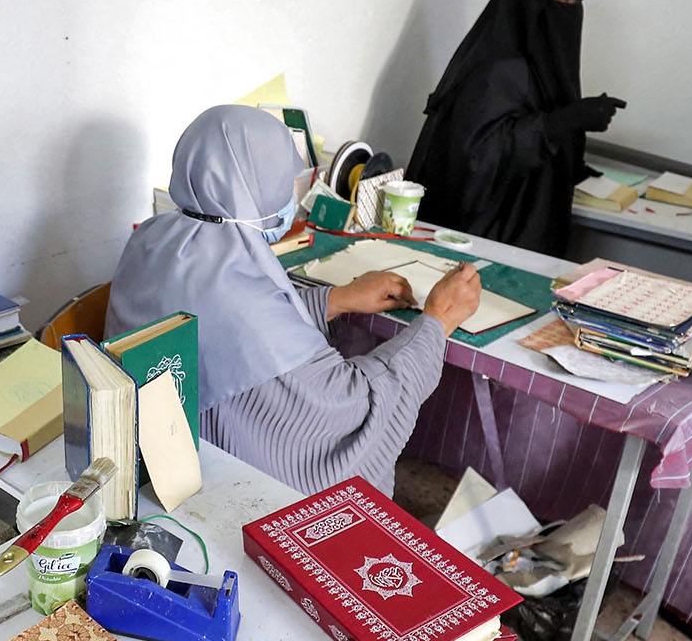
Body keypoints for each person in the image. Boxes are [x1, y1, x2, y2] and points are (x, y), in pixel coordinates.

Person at [106, 104, 483, 497]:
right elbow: (348, 407)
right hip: (227, 479)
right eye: (283, 181)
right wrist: (437, 322)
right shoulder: (244, 304)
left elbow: (243, 320)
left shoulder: (152, 237)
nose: (291, 196)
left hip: (155, 445)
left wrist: (335, 299)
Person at [407, 0, 626, 257]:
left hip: (523, 222)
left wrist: (570, 147)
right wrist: (562, 123)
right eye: (562, 2)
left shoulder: (536, 62)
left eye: (577, 3)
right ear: (530, 1)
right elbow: (477, 157)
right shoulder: (499, 67)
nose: (570, 12)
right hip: (489, 238)